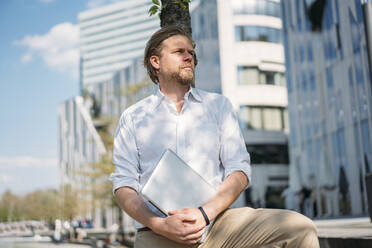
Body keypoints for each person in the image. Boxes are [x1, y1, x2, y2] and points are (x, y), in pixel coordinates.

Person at [110, 26, 319, 248]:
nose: (188, 56)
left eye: (191, 52)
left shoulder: (218, 106)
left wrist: (204, 213)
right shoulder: (134, 117)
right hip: (158, 231)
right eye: (179, 51)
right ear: (156, 62)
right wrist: (159, 224)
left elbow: (239, 169)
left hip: (219, 225)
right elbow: (124, 185)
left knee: (299, 228)